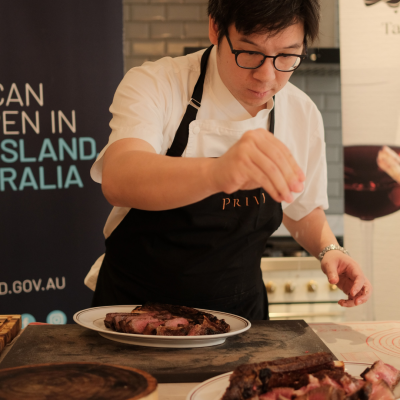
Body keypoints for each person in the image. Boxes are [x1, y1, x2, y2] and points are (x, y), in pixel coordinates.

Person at [85, 0, 372, 319]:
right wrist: (219, 171)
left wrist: (330, 250)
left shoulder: (301, 112)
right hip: (134, 313)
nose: (266, 76)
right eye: (249, 52)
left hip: (240, 320)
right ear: (215, 28)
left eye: (287, 56)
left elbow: (301, 208)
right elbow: (119, 177)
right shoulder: (158, 83)